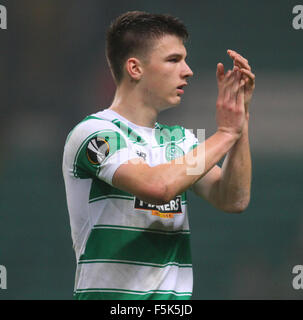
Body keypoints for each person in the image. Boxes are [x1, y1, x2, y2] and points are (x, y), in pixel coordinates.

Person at [62, 11, 255, 300]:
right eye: (174, 60)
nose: (188, 70)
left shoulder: (182, 140)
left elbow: (233, 198)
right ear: (135, 68)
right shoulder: (93, 133)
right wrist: (225, 134)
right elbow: (158, 187)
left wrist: (240, 124)